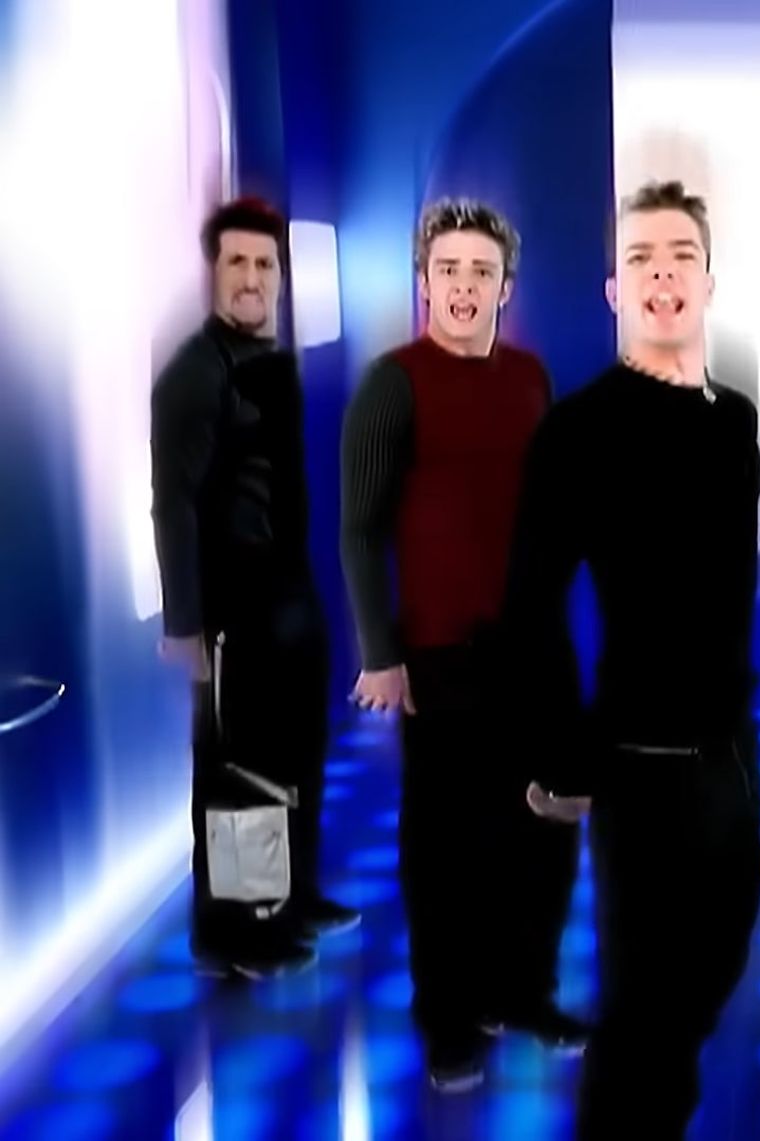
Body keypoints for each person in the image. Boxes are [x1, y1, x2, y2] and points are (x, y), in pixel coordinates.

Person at [504, 180, 760, 1139]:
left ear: (709, 281)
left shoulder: (735, 418)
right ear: (616, 289)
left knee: (723, 942)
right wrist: (561, 756)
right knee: (639, 999)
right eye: (641, 260)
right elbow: (531, 600)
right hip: (638, 762)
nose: (662, 276)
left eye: (680, 256)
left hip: (730, 747)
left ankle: (666, 1094)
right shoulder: (578, 429)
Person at [339, 198, 586, 1094]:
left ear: (505, 286)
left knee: (543, 830)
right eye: (449, 270)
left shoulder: (529, 376)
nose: (465, 286)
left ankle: (525, 993)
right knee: (446, 846)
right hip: (438, 651)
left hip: (533, 645)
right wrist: (380, 652)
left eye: (482, 271)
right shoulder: (392, 382)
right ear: (425, 280)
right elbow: (360, 528)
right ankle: (450, 1018)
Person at [151, 197, 359, 981]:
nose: (251, 276)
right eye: (236, 261)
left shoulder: (273, 362)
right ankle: (237, 932)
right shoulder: (193, 373)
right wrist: (184, 623)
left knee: (296, 754)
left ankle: (291, 898)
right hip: (232, 608)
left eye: (264, 263)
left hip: (288, 597)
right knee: (239, 768)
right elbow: (172, 501)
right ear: (214, 271)